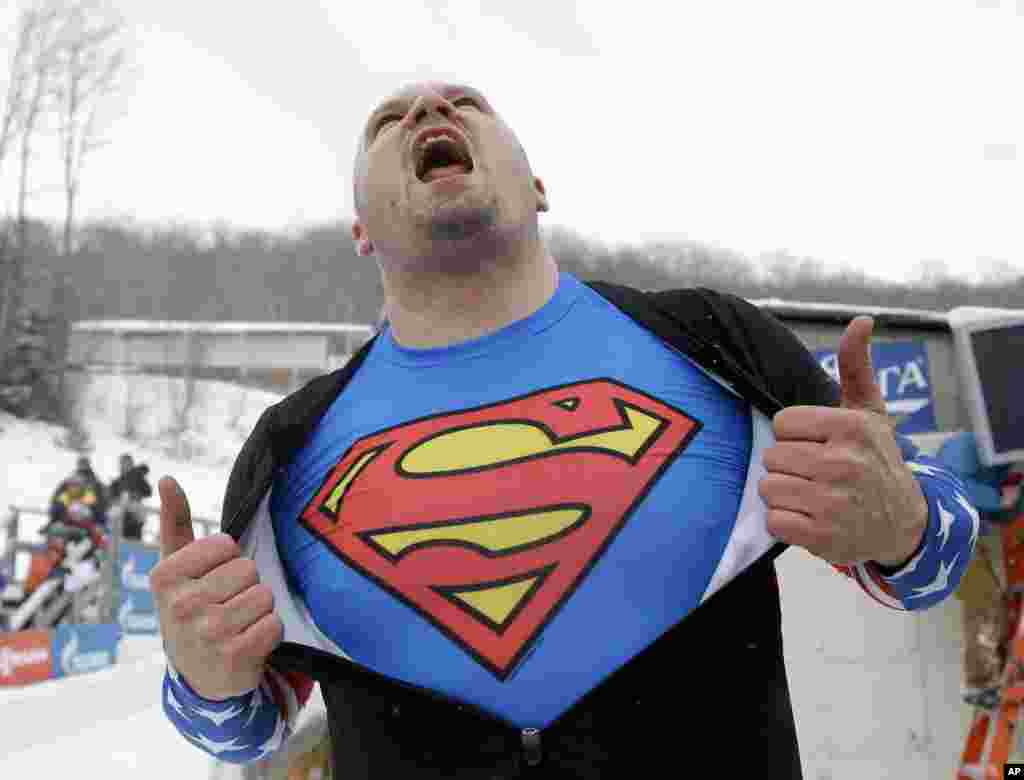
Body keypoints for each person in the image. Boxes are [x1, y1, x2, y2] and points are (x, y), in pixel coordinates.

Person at [153, 82, 980, 778]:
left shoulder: (710, 344)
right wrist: (202, 679)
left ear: (538, 187)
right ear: (361, 229)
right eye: (386, 119)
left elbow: (930, 568)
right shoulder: (289, 446)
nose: (430, 109)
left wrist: (906, 521)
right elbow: (252, 726)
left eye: (466, 101)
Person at [108, 454, 153, 541]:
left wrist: (137, 494)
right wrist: (113, 496)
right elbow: (111, 493)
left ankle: (131, 546)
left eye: (127, 463)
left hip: (134, 511)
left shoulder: (137, 476)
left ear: (131, 464)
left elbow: (148, 491)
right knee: (118, 525)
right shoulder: (119, 480)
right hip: (122, 511)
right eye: (123, 463)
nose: (125, 465)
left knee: (133, 534)